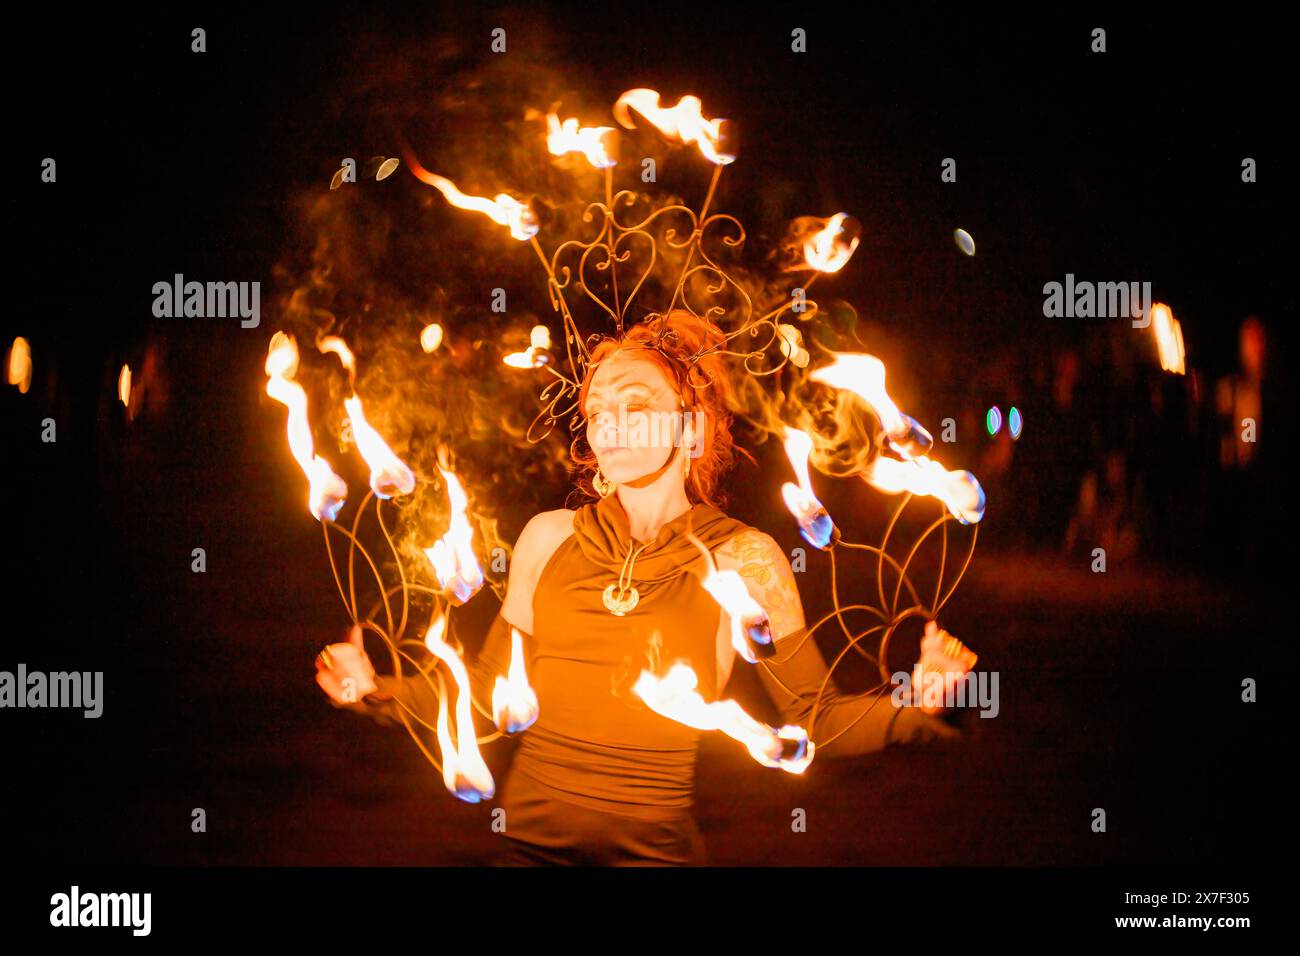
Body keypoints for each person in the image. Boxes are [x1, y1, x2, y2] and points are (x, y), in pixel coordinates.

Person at [314, 310, 975, 866]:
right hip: (523, 852)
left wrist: (919, 707)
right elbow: (486, 695)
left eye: (637, 405)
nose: (612, 423)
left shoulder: (745, 557)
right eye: (598, 409)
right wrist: (375, 687)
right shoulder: (549, 538)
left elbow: (816, 719)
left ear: (690, 429)